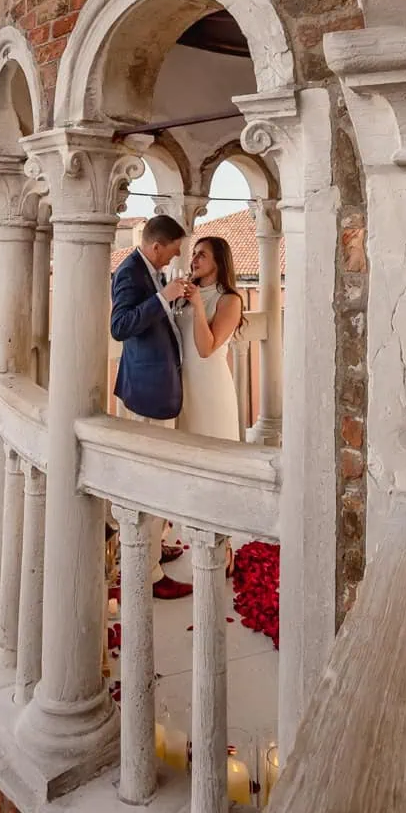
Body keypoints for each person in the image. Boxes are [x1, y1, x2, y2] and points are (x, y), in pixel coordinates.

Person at [111, 213, 193, 599]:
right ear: (156, 245)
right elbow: (121, 325)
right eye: (171, 252)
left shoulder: (149, 269)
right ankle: (150, 573)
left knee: (159, 473)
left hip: (154, 384)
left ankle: (155, 547)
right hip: (146, 390)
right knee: (152, 477)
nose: (172, 259)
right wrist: (164, 297)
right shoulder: (130, 271)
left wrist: (168, 302)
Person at [177, 235, 246, 442]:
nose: (194, 259)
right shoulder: (185, 294)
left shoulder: (229, 300)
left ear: (219, 261)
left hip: (210, 386)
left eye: (202, 255)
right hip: (181, 383)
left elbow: (206, 349)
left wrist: (198, 305)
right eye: (194, 253)